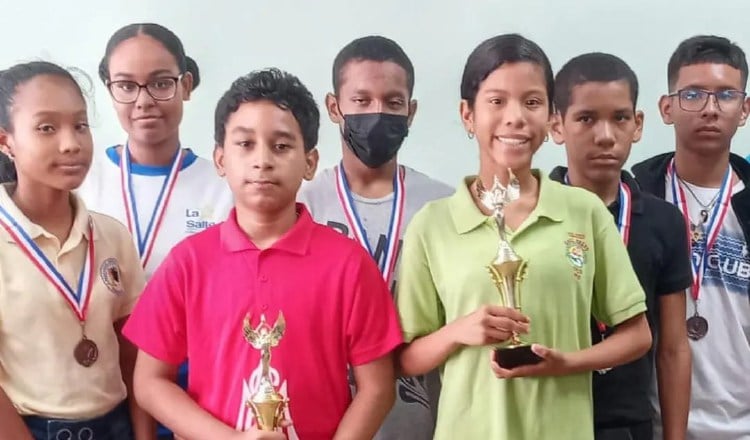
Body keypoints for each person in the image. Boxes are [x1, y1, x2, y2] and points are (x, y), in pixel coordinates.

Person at [395, 34, 653, 440]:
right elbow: (406, 359)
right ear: (467, 114)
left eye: (531, 102)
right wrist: (458, 331)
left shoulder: (583, 212)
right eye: (497, 101)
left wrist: (567, 362)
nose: (515, 118)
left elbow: (637, 335)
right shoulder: (433, 224)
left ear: (551, 117)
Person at [123, 68, 403, 440]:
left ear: (310, 162)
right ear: (221, 160)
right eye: (245, 144)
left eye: (282, 145)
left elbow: (377, 388)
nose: (262, 160)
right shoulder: (187, 263)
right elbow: (150, 382)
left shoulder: (349, 265)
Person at [76, 23, 233, 439]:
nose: (144, 101)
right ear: (109, 90)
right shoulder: (81, 182)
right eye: (126, 86)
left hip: (194, 395)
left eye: (161, 83)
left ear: (187, 85)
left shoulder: (224, 185)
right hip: (99, 391)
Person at [297, 35, 452, 440]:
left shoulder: (443, 206)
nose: (378, 113)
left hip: (421, 421)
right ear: (334, 107)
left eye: (393, 102)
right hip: (325, 420)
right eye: (361, 101)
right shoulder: (302, 204)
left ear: (412, 111)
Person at [0, 61, 148, 439]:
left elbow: (134, 356)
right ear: (6, 141)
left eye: (80, 125)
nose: (71, 143)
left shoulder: (111, 235)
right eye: (46, 128)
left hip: (117, 426)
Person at [548, 52, 692, 440]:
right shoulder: (530, 215)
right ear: (556, 125)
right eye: (586, 118)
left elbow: (674, 348)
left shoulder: (664, 222)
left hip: (628, 426)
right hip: (545, 418)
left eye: (620, 118)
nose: (605, 135)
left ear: (638, 124)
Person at [632, 35, 750, 440]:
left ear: (745, 109)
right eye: (693, 94)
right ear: (667, 108)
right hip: (651, 425)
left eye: (726, 95)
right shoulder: (635, 199)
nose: (710, 109)